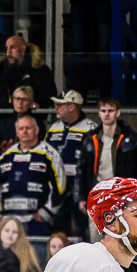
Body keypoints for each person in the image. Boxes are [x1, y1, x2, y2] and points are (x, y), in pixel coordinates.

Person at [76, 97, 137, 234]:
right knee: (96, 239)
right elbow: (81, 170)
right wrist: (80, 197)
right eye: (103, 111)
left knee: (124, 237)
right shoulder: (91, 139)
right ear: (99, 113)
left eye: (110, 110)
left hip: (123, 197)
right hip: (98, 196)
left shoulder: (131, 139)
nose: (107, 114)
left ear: (117, 113)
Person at [0, 114, 65, 248]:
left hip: (36, 223)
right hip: (8, 223)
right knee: (9, 266)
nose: (24, 131)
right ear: (16, 132)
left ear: (36, 130)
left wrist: (45, 213)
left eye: (28, 128)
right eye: (21, 128)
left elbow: (60, 187)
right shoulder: (6, 156)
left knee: (36, 266)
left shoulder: (50, 154)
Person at [45, 90, 100, 236]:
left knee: (83, 230)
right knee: (57, 230)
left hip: (81, 189)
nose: (56, 107)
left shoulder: (91, 128)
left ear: (71, 106)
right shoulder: (53, 128)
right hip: (57, 189)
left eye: (60, 104)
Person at [0, 36, 58, 111]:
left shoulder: (39, 70)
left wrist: (37, 103)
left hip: (31, 116)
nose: (8, 52)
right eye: (7, 48)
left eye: (13, 48)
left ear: (23, 49)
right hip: (2, 116)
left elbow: (49, 93)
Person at [0, 86, 43, 164]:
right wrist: (3, 151)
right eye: (17, 99)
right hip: (7, 163)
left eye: (24, 100)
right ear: (12, 101)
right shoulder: (4, 122)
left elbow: (40, 148)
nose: (20, 103)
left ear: (31, 103)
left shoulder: (37, 123)